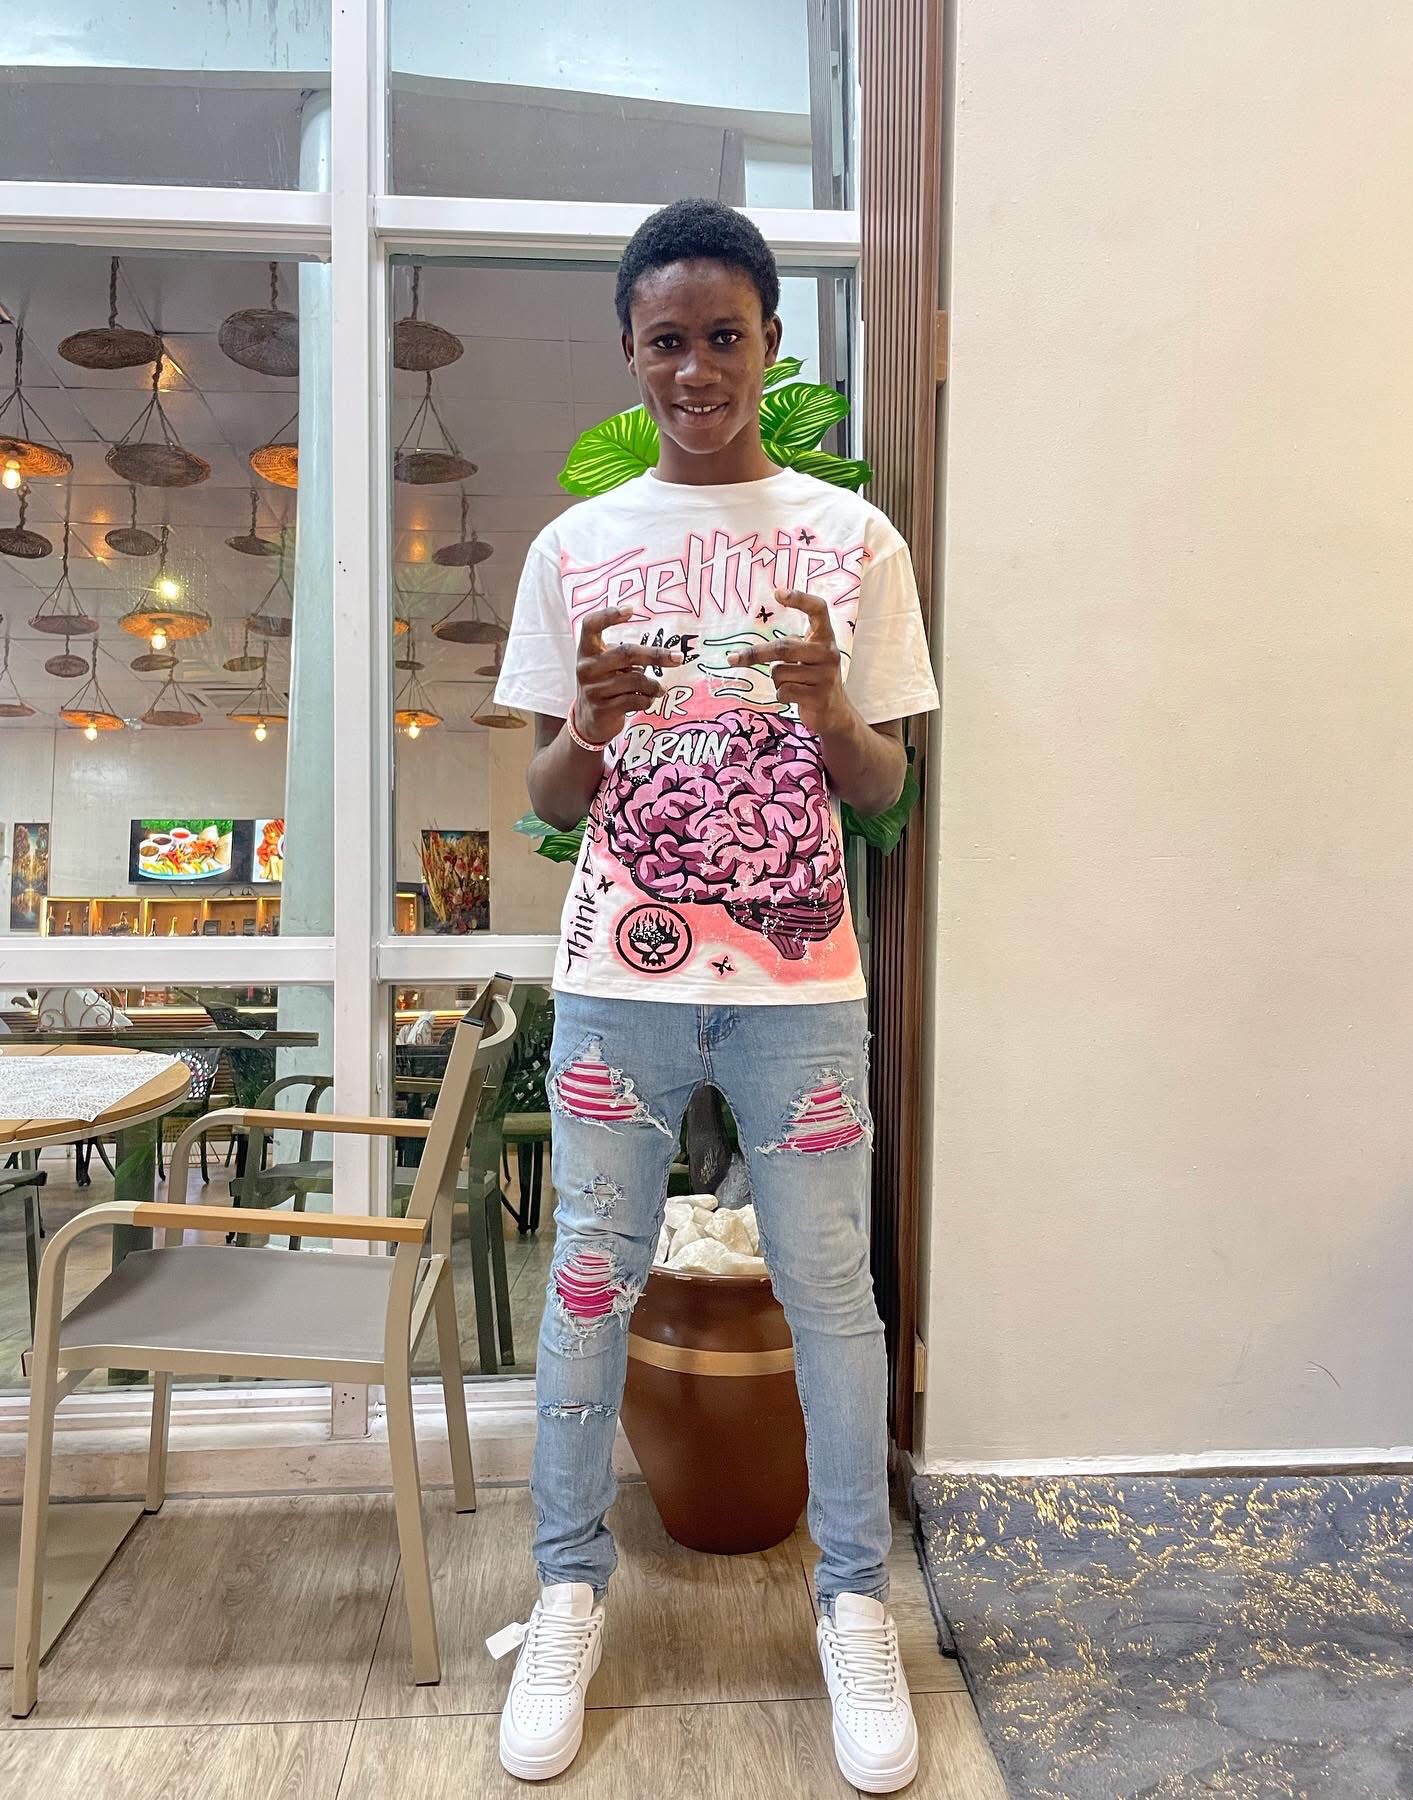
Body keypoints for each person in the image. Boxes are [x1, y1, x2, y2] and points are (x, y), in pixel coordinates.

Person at [488, 198, 940, 1793]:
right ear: (631, 353)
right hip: (618, 977)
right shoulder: (573, 549)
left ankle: (855, 1606)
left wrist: (829, 712)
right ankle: (564, 1596)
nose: (697, 368)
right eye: (666, 340)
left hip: (801, 983)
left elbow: (884, 790)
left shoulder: (852, 540)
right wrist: (591, 728)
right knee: (585, 1286)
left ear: (768, 341)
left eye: (724, 336)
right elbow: (548, 797)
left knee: (832, 1297)